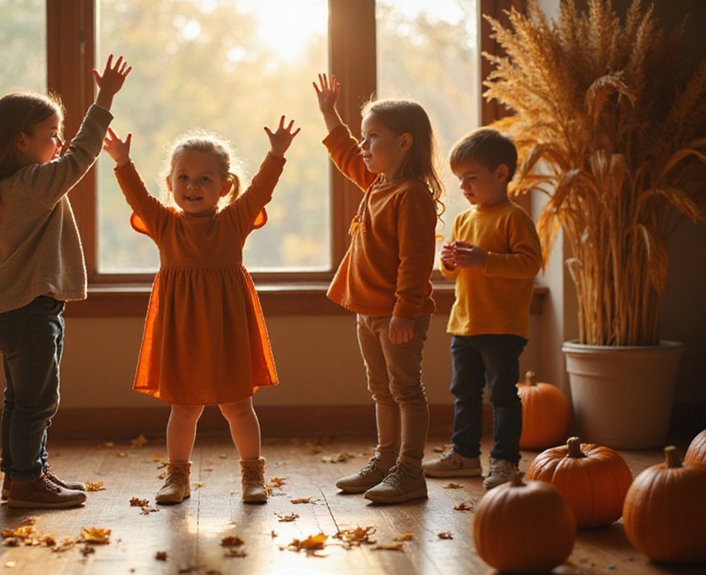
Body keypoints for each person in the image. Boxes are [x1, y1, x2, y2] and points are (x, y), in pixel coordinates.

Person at [101, 117, 300, 505]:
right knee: (185, 407)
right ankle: (177, 478)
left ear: (224, 187)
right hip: (182, 329)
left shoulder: (233, 221)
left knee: (238, 406)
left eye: (205, 179)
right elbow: (137, 198)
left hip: (227, 326)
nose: (192, 186)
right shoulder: (163, 223)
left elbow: (260, 191)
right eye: (184, 178)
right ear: (171, 184)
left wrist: (276, 155)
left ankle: (252, 476)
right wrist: (122, 162)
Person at [0, 55, 132, 509]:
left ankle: (23, 474)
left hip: (11, 309)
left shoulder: (7, 186)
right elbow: (82, 155)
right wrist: (105, 99)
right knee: (38, 401)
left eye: (57, 134)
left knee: (19, 401)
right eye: (49, 135)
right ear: (21, 141)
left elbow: (70, 155)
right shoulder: (32, 186)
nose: (58, 142)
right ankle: (25, 482)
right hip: (30, 309)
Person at [314, 74, 443, 504]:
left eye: (374, 138)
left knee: (406, 390)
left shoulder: (412, 196)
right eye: (364, 138)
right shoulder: (377, 185)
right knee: (381, 390)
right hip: (367, 311)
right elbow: (347, 154)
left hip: (397, 316)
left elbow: (416, 261)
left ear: (404, 142)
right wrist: (329, 114)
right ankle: (385, 462)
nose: (365, 146)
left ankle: (410, 471)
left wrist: (404, 312)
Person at [423, 127, 542, 490]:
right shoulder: (463, 219)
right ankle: (465, 454)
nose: (464, 187)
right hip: (465, 324)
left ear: (501, 173)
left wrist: (484, 259)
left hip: (503, 326)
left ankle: (505, 461)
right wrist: (450, 261)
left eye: (471, 178)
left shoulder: (514, 218)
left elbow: (528, 264)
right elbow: (452, 272)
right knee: (464, 393)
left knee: (503, 396)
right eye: (460, 179)